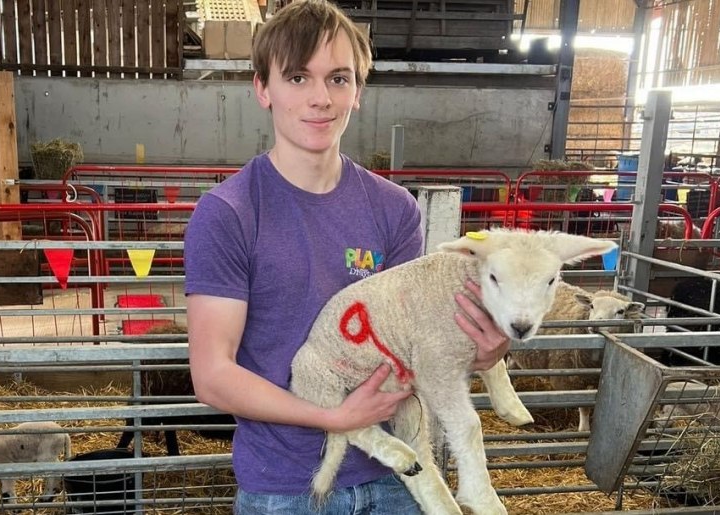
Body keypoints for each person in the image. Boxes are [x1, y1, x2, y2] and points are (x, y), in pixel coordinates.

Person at [184, 1, 510, 513]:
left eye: (338, 79)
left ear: (357, 92)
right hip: (285, 485)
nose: (320, 98)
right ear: (262, 88)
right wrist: (333, 418)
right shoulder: (228, 213)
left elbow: (411, 340)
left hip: (394, 476)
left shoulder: (394, 210)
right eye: (297, 77)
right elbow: (212, 375)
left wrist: (482, 350)